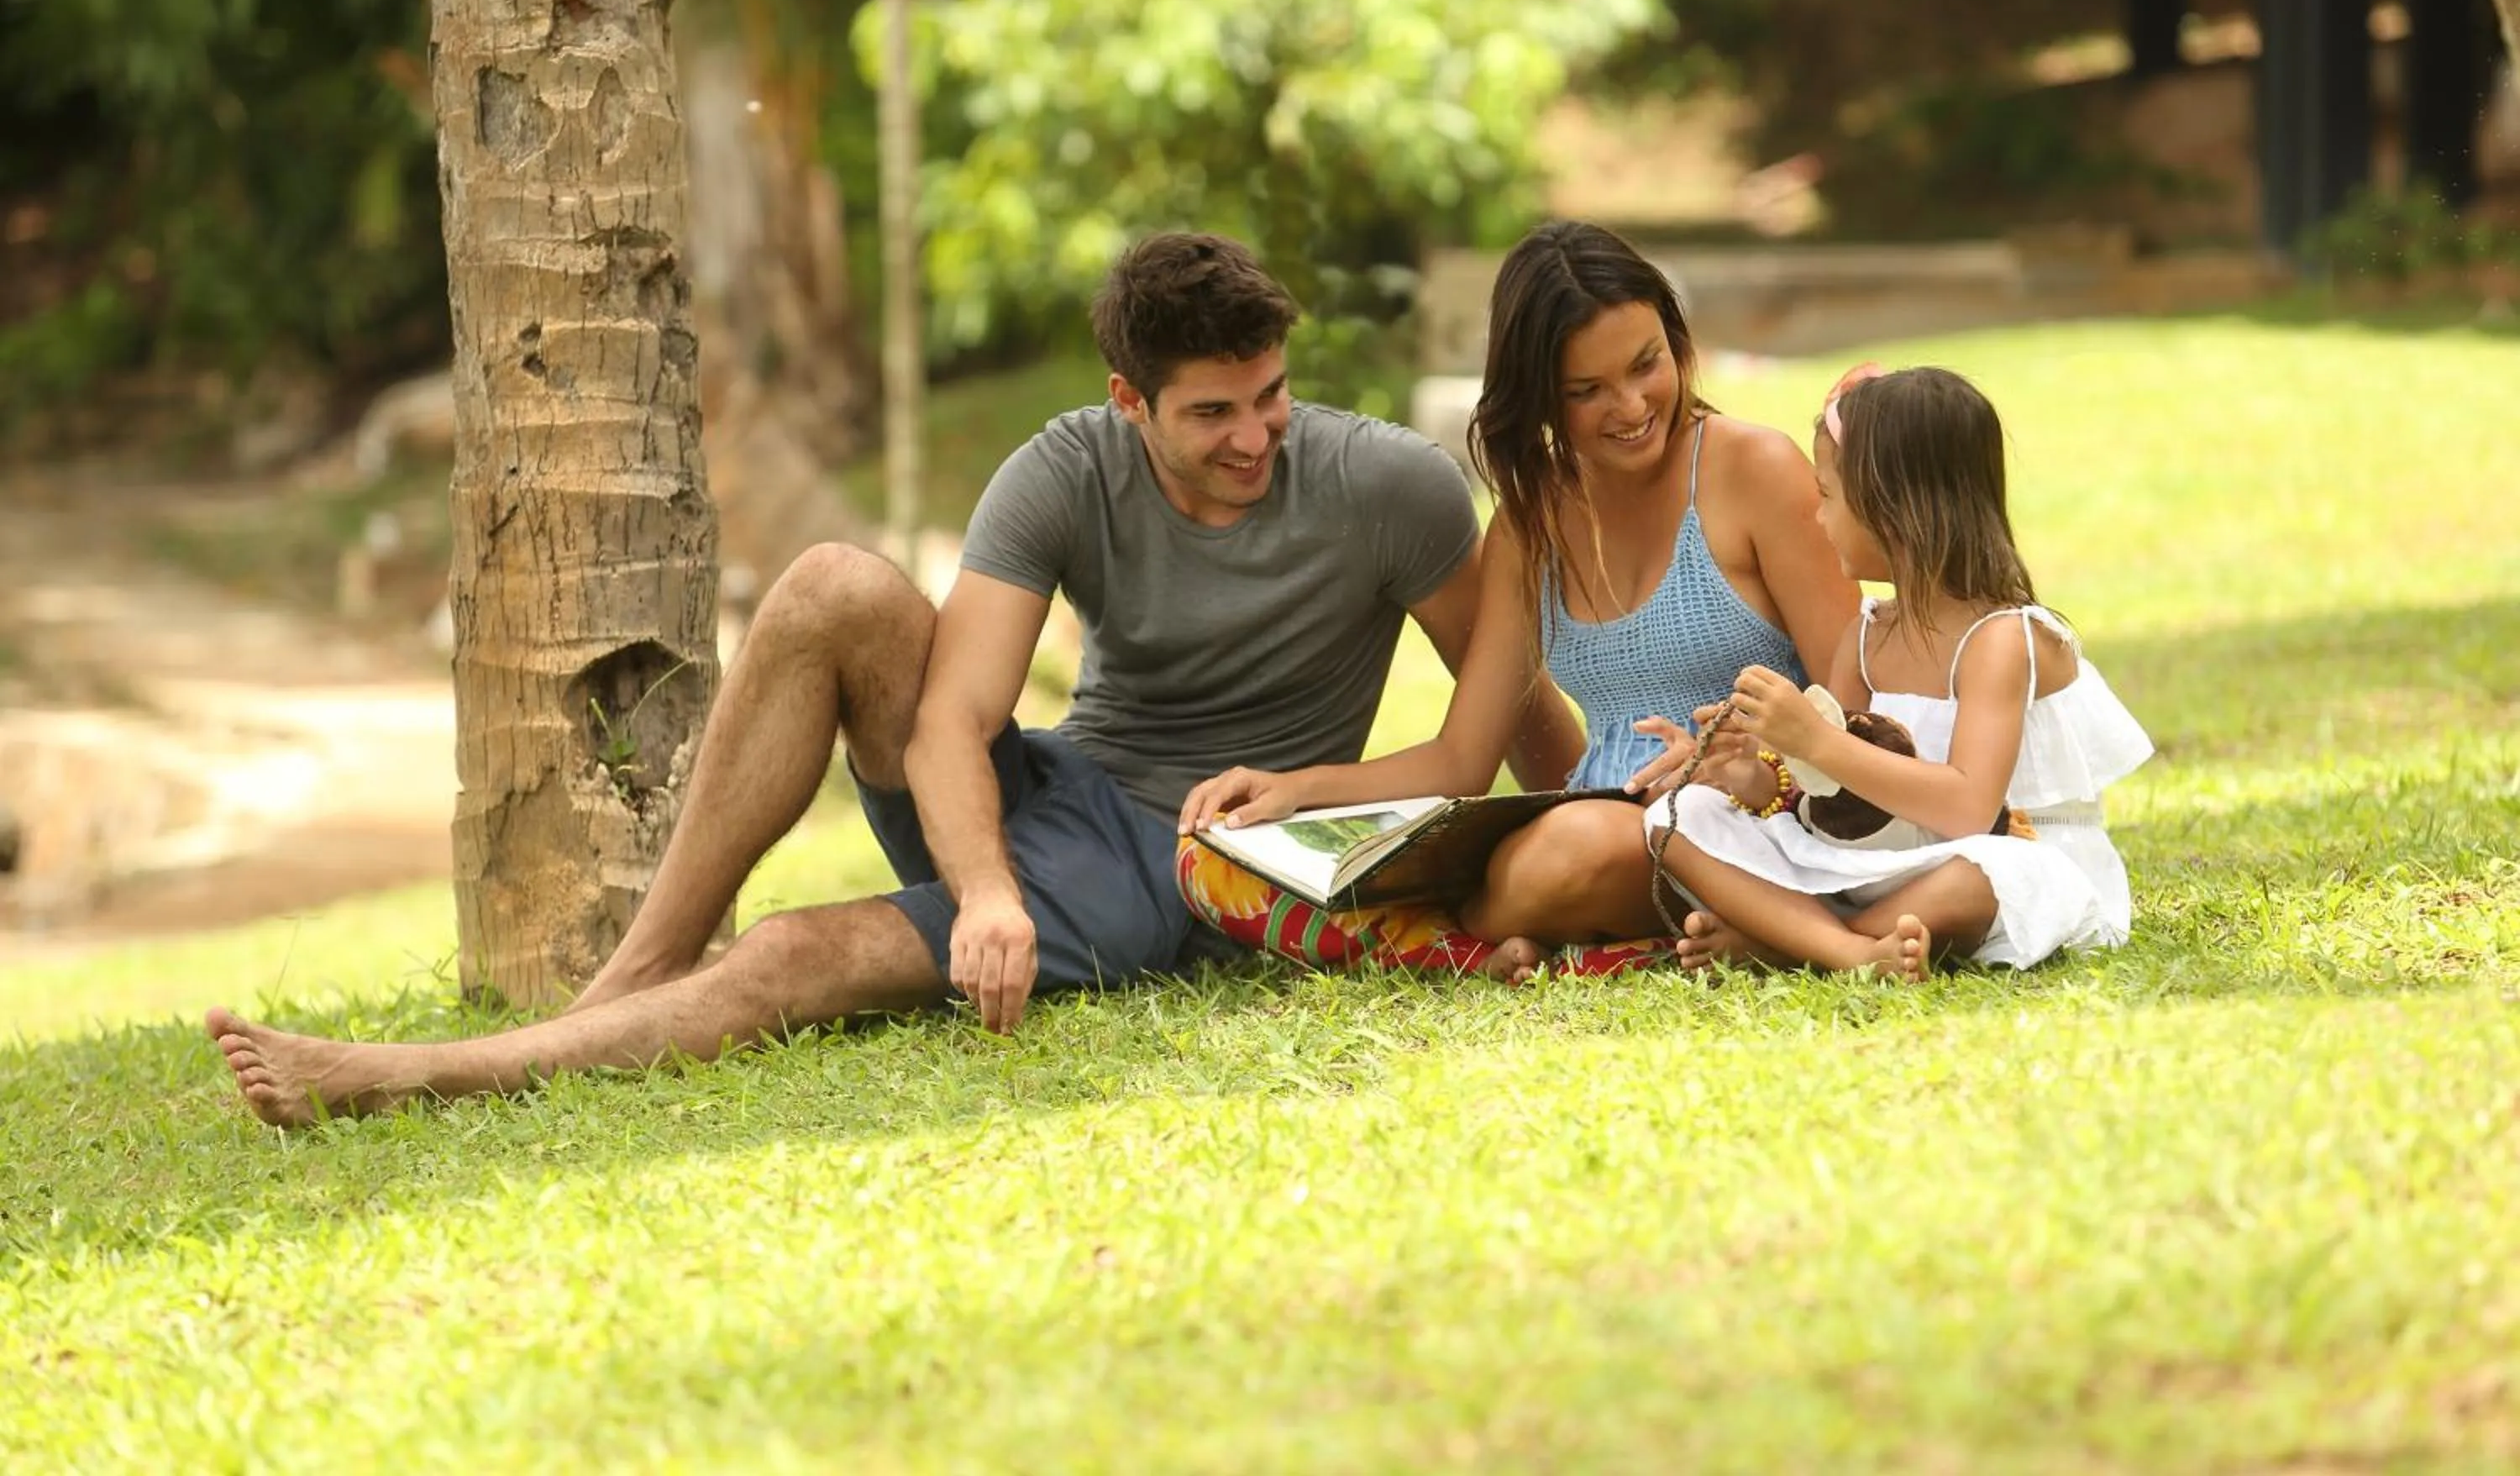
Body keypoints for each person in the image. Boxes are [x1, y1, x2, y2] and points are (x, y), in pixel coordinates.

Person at [206, 233, 1566, 1125]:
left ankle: (404, 1082)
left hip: (1181, 860)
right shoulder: (1065, 466)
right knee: (833, 588)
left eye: (1269, 395)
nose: (1255, 434)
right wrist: (983, 893)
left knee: (798, 952)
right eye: (1212, 412)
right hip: (1058, 790)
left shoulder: (1386, 487)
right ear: (1127, 400)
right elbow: (954, 723)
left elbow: (1505, 713)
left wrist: (1615, 826)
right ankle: (644, 966)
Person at [1173, 219, 1856, 970]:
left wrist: (1745, 757)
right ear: (1537, 398)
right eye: (1586, 391)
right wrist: (1297, 791)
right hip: (1597, 824)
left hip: (1751, 817)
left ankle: (1476, 942)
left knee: (1559, 857)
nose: (1630, 407)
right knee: (1224, 863)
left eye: (1646, 365)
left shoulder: (1753, 469)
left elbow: (1858, 700)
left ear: (1675, 340)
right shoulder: (1530, 525)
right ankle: (1577, 946)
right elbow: (1462, 760)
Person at [1650, 364, 2154, 980]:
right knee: (1676, 818)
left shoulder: (2000, 641)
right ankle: (1845, 947)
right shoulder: (1866, 632)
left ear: (1892, 509)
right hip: (1884, 863)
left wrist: (1817, 739)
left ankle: (1786, 945)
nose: (1816, 517)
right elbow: (1824, 797)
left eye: (1828, 497)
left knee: (1976, 879)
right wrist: (1749, 775)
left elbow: (1969, 809)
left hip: (2004, 859)